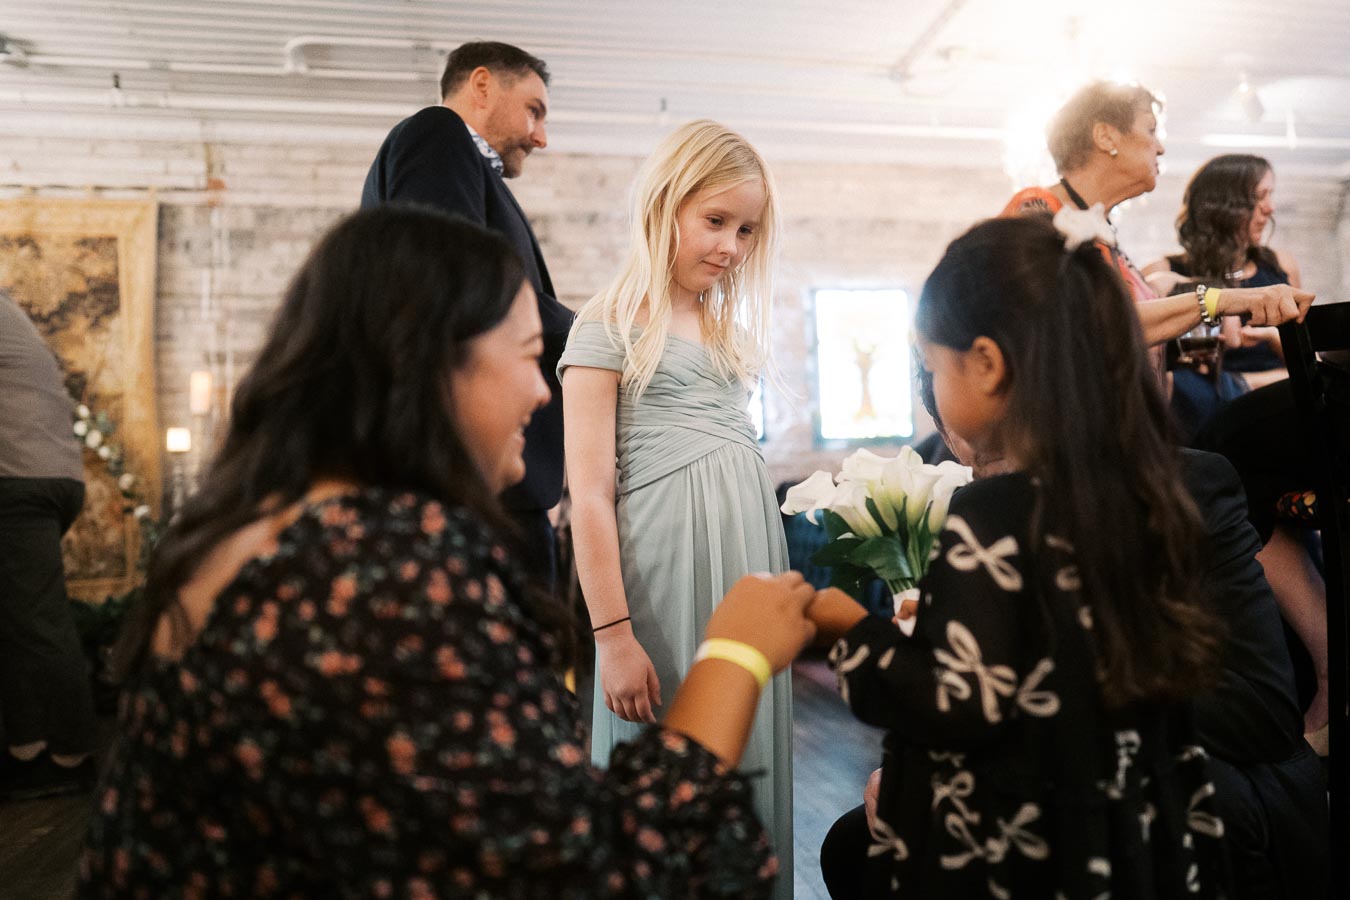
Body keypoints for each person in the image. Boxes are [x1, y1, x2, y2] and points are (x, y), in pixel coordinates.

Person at [78, 207, 818, 897]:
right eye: (528, 356)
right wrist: (734, 657)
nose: (539, 393)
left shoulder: (264, 531)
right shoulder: (384, 566)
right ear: (430, 362)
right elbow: (604, 865)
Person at [806, 214, 1229, 897]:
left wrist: (843, 626)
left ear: (986, 364)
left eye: (934, 365)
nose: (934, 386)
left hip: (1025, 843)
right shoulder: (1144, 500)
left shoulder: (992, 516)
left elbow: (958, 699)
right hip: (1126, 824)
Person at [559, 119, 795, 894]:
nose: (731, 245)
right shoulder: (607, 324)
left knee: (746, 741)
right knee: (670, 754)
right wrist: (613, 635)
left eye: (747, 229)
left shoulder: (727, 327)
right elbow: (588, 492)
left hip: (744, 562)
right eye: (715, 221)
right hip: (659, 569)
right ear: (666, 205)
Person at [361, 40, 573, 585]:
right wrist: (592, 330)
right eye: (534, 109)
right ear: (482, 85)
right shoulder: (437, 133)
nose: (541, 136)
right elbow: (452, 277)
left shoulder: (470, 170)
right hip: (473, 481)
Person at [1143, 156, 1328, 734]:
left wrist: (1261, 347)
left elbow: (1308, 360)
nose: (1270, 209)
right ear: (1227, 204)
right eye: (1260, 196)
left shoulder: (1280, 267)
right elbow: (1152, 369)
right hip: (1202, 412)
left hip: (1271, 408)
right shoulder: (1167, 275)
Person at [1002, 81, 1312, 349]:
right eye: (1151, 130)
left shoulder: (1104, 236)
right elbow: (1085, 324)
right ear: (1106, 137)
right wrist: (1224, 300)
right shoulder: (1037, 210)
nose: (1160, 148)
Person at [0, 292, 96, 800]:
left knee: (35, 622)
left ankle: (70, 754)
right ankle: (29, 750)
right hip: (43, 476)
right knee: (17, 619)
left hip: (17, 481)